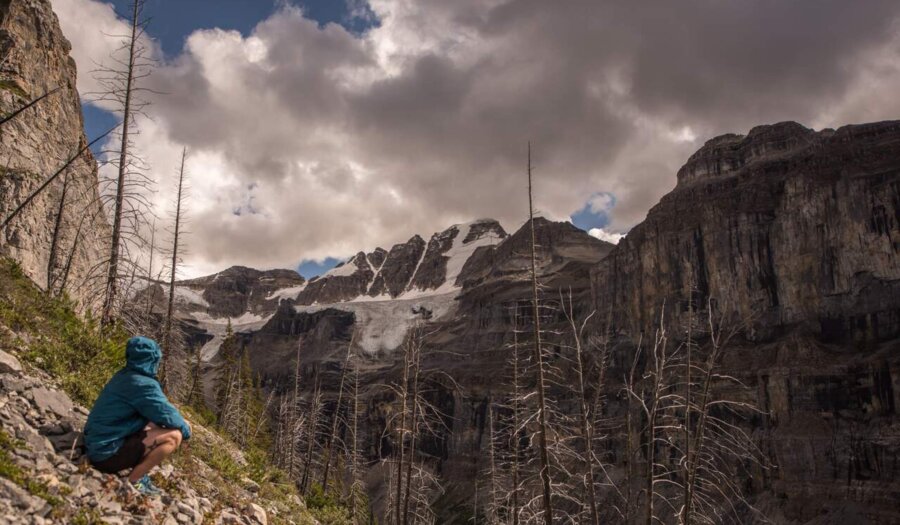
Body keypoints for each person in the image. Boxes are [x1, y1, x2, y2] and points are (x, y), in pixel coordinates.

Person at [83, 336, 192, 496]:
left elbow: (161, 413)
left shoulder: (125, 375)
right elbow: (168, 416)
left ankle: (136, 473)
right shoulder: (144, 385)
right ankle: (135, 481)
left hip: (97, 443)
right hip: (106, 455)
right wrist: (186, 430)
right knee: (174, 436)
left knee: (157, 424)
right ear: (152, 360)